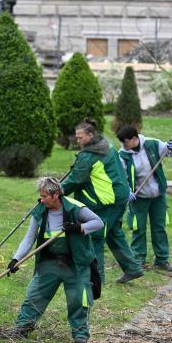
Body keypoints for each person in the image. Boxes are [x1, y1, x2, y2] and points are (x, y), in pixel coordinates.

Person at [10, 177, 104, 343]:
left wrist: (79, 227)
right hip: (50, 262)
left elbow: (99, 223)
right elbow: (29, 239)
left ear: (56, 195)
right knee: (34, 295)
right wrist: (16, 259)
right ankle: (23, 326)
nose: (41, 200)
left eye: (44, 196)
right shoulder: (39, 211)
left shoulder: (75, 208)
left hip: (76, 262)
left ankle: (80, 334)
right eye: (40, 196)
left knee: (78, 299)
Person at [61, 119, 144, 284]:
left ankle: (96, 277)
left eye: (80, 137)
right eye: (77, 137)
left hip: (105, 202)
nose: (78, 140)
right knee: (113, 233)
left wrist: (55, 192)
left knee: (95, 236)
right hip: (120, 197)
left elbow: (76, 179)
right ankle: (132, 268)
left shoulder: (88, 156)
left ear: (91, 135)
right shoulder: (107, 146)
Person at [116, 125, 172, 272]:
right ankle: (138, 260)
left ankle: (162, 260)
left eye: (125, 142)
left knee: (159, 227)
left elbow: (171, 152)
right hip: (138, 198)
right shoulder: (122, 155)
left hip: (158, 196)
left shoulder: (152, 144)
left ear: (134, 138)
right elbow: (121, 177)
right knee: (138, 228)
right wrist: (127, 191)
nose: (123, 145)